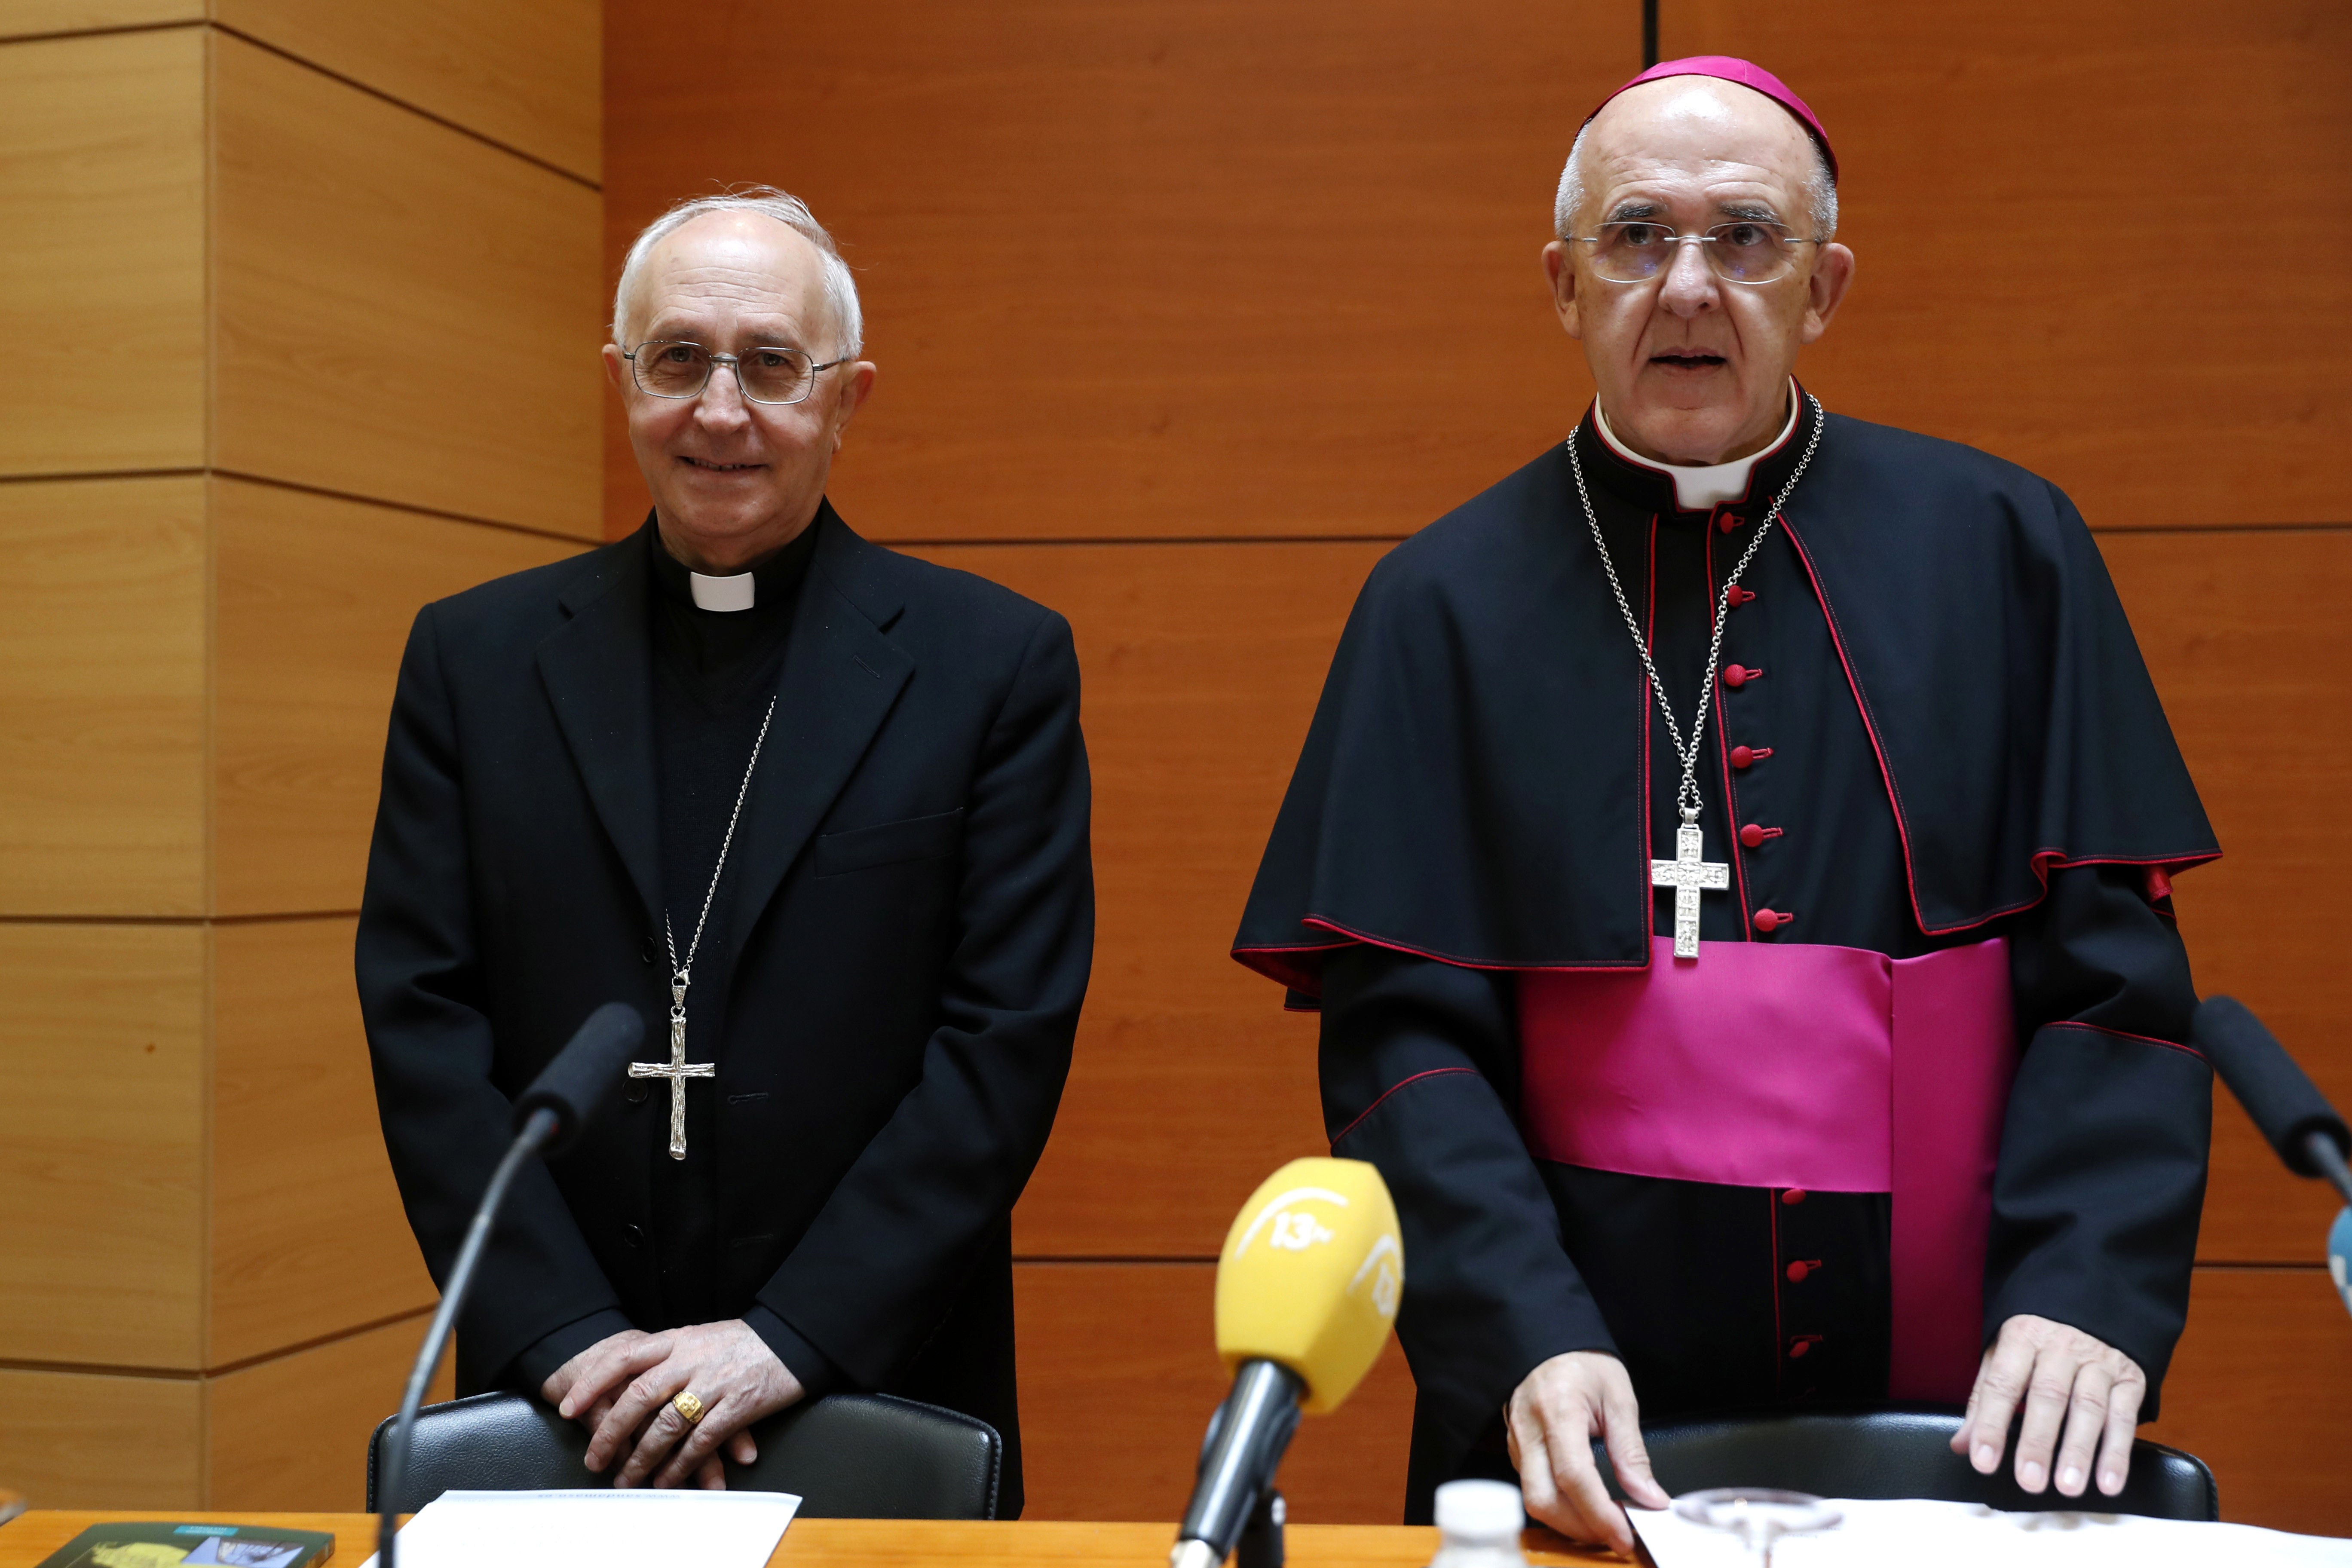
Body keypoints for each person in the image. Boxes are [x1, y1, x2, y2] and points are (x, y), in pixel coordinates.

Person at [1233, 59, 2216, 1549]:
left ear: (1822, 288)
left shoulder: (2002, 545)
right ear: (1562, 284)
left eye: (1745, 237)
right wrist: (1523, 1341)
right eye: (1636, 237)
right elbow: (1402, 1049)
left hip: (1965, 1410)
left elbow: (2119, 988)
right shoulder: (1440, 602)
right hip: (1578, 1422)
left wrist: (2086, 1292)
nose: (1688, 285)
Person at [357, 187, 1091, 1511]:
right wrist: (570, 1341)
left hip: (879, 1376)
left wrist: (787, 1341)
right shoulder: (475, 662)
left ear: (848, 397)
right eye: (679, 359)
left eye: (771, 366)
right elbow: (422, 1023)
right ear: (621, 378)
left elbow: (1004, 1044)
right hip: (560, 1401)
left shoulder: (991, 668)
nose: (720, 412)